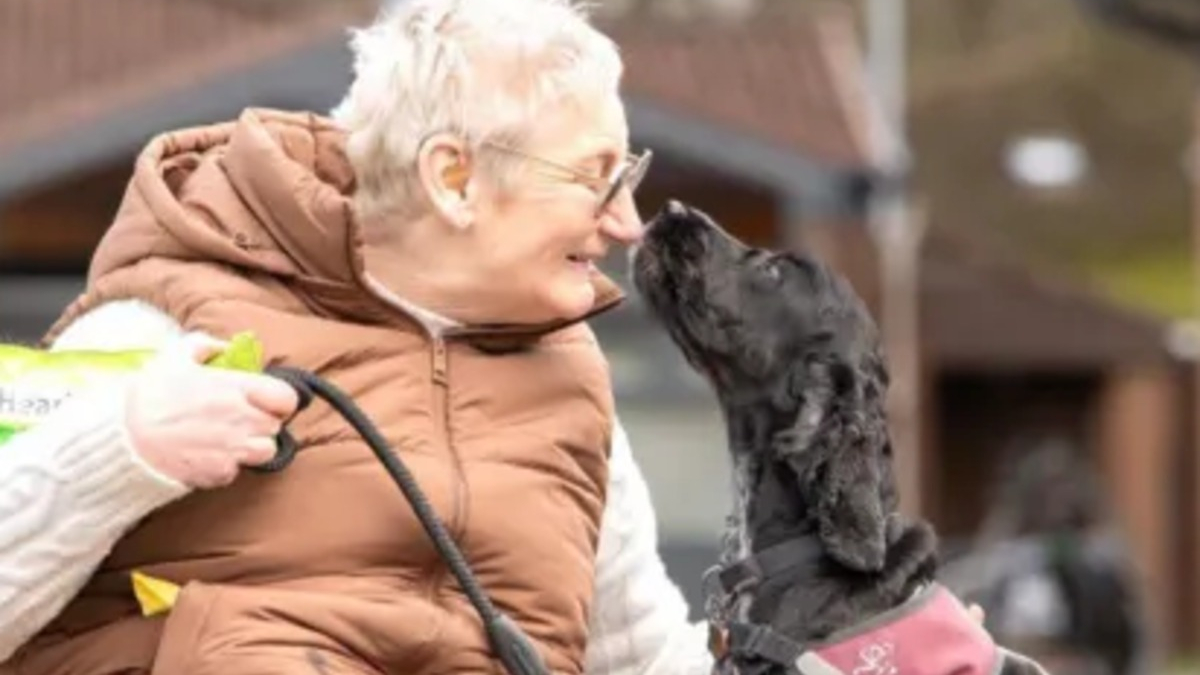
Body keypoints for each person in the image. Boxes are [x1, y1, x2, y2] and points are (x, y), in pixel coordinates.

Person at [0, 1, 710, 673]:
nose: (626, 222)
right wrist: (124, 446)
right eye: (596, 177)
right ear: (454, 179)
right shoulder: (166, 326)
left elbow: (643, 656)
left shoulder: (572, 385)